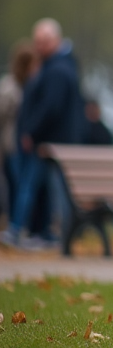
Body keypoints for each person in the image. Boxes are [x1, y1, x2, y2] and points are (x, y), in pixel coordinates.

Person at [2, 19, 85, 249]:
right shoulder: (62, 66)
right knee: (50, 189)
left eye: (45, 41)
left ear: (56, 40)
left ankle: (19, 229)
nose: (40, 46)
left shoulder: (56, 71)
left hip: (50, 143)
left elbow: (51, 108)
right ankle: (50, 233)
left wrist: (32, 132)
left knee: (38, 187)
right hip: (55, 142)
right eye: (37, 41)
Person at [0, 41, 39, 227]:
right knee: (18, 186)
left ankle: (17, 225)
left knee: (19, 186)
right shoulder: (10, 88)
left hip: (22, 144)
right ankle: (14, 226)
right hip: (12, 145)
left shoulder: (30, 86)